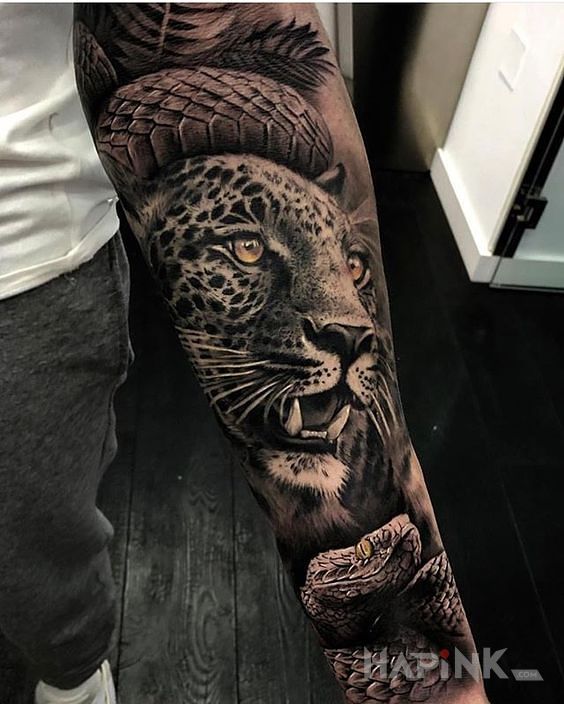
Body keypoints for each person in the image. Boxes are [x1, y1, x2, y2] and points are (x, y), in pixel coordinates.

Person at [0, 4, 488, 703]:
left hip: (18, 259)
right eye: (251, 246)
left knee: (31, 566)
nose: (346, 322)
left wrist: (429, 688)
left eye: (346, 266)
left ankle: (74, 682)